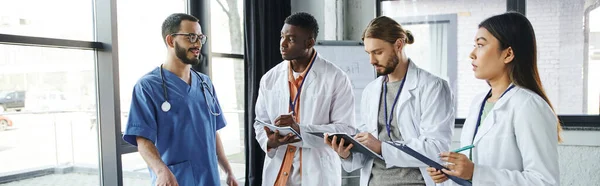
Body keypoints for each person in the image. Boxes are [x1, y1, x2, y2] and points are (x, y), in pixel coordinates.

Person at [426, 12, 562, 186]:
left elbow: (545, 182)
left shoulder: (529, 106)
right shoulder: (478, 102)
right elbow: (474, 166)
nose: (472, 54)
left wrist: (476, 173)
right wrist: (452, 172)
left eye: (480, 45)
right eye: (474, 45)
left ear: (508, 54)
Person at [325, 16, 455, 186]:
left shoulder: (433, 87)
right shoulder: (371, 91)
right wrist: (347, 153)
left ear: (399, 45)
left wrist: (382, 147)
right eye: (369, 53)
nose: (372, 61)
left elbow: (437, 149)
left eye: (378, 52)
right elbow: (368, 149)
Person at [122, 13, 238, 186]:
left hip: (210, 179)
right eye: (191, 37)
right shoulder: (147, 86)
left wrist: (228, 171)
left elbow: (212, 131)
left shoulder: (204, 83)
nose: (197, 43)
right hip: (175, 180)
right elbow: (142, 139)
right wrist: (161, 170)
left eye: (200, 37)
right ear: (170, 41)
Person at [253, 12, 356, 186]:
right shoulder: (269, 78)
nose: (282, 44)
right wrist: (269, 141)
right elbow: (259, 122)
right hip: (278, 177)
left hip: (316, 176)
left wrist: (299, 130)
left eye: (291, 39)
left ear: (309, 42)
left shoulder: (336, 78)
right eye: (282, 36)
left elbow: (346, 129)